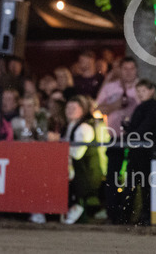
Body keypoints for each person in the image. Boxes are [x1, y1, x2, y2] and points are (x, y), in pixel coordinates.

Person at [96, 56, 139, 224]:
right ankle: (112, 214)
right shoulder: (110, 87)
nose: (128, 72)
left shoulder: (142, 87)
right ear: (120, 70)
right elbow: (98, 108)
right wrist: (116, 106)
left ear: (136, 70)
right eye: (125, 69)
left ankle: (127, 216)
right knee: (112, 177)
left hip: (135, 138)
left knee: (132, 178)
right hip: (114, 137)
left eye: (131, 68)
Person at [121, 80, 156, 225]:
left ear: (151, 91)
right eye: (138, 91)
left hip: (145, 151)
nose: (140, 94)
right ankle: (135, 216)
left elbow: (145, 127)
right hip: (139, 150)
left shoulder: (152, 106)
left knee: (142, 186)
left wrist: (131, 133)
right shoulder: (144, 107)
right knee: (138, 185)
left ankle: (140, 216)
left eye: (143, 90)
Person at [63, 95, 103, 224]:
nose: (70, 111)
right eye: (68, 108)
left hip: (86, 174)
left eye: (74, 108)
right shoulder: (71, 125)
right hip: (78, 172)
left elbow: (77, 154)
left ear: (83, 110)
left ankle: (77, 207)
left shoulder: (84, 128)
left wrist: (60, 146)